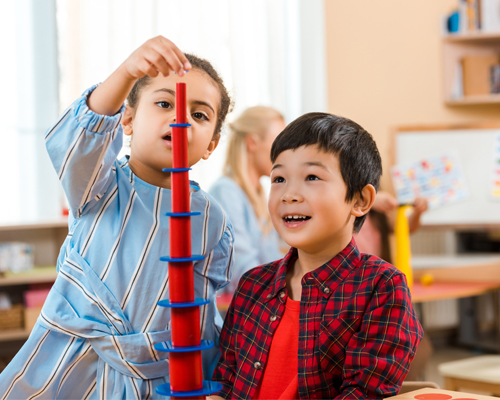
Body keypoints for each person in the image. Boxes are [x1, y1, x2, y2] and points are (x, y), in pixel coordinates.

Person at [0, 36, 234, 399]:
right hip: (74, 370)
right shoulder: (98, 185)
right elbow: (80, 136)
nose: (180, 117)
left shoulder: (213, 219)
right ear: (126, 118)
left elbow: (201, 314)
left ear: (211, 145)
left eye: (199, 114)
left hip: (162, 379)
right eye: (164, 103)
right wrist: (127, 71)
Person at [210, 112, 423, 399]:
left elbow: (362, 393)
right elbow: (223, 384)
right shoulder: (252, 286)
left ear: (360, 200)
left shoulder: (382, 287)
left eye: (311, 177)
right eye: (279, 179)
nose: (289, 194)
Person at [209, 106, 285, 294]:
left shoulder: (259, 195)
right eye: (279, 144)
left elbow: (273, 259)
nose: (284, 153)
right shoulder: (225, 192)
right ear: (252, 142)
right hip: (234, 312)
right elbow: (243, 269)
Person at [354, 190, 428, 263]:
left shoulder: (380, 210)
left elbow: (404, 227)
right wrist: (369, 200)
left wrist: (417, 212)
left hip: (374, 267)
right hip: (351, 267)